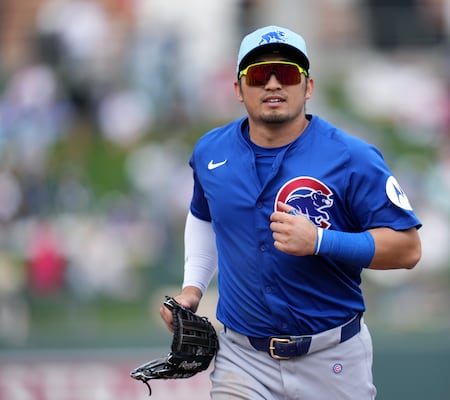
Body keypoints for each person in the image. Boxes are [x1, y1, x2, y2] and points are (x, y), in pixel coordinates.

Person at [159, 25, 422, 399]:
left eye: (285, 73)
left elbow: (408, 248)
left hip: (332, 358)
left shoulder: (353, 157)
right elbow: (204, 216)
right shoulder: (210, 152)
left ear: (308, 86)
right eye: (256, 75)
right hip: (243, 360)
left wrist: (320, 240)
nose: (271, 84)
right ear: (238, 89)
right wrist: (192, 289)